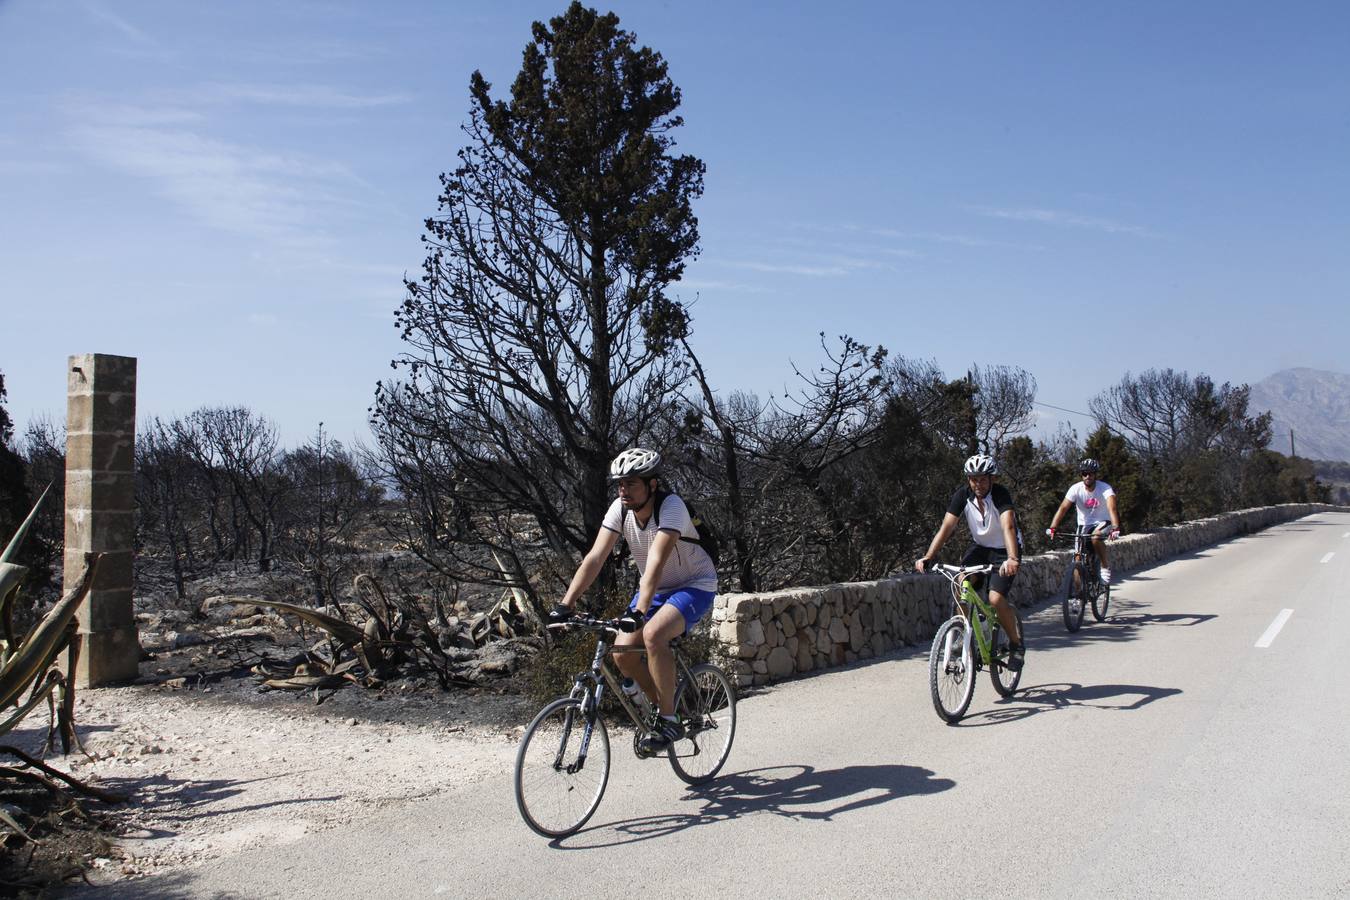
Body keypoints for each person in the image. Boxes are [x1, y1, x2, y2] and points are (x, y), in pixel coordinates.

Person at [548, 448, 718, 755]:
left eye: (631, 483)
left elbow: (655, 560)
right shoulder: (620, 509)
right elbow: (596, 557)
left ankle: (669, 720)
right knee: (622, 654)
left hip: (694, 584)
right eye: (620, 484)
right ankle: (665, 707)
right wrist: (566, 604)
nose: (623, 490)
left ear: (652, 484)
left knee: (653, 635)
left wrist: (640, 612)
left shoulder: (671, 507)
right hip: (655, 589)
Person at [915, 453, 1025, 669]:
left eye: (983, 479)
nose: (978, 484)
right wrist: (929, 556)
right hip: (981, 548)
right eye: (973, 479)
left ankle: (1016, 644)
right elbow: (946, 527)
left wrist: (1012, 558)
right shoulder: (963, 495)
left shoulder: (1000, 494)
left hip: (1005, 549)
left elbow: (1008, 526)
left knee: (995, 598)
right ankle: (965, 632)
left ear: (992, 478)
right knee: (961, 581)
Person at [1047, 457, 1122, 583]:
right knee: (1077, 560)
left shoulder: (1105, 488)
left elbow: (1112, 508)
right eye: (1084, 473)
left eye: (1091, 473)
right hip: (1084, 525)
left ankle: (1104, 566)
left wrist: (1115, 527)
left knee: (1095, 537)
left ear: (1095, 475)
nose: (1088, 476)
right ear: (1081, 475)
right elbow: (1063, 508)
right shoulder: (1075, 489)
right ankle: (1078, 596)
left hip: (1103, 522)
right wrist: (1053, 527)